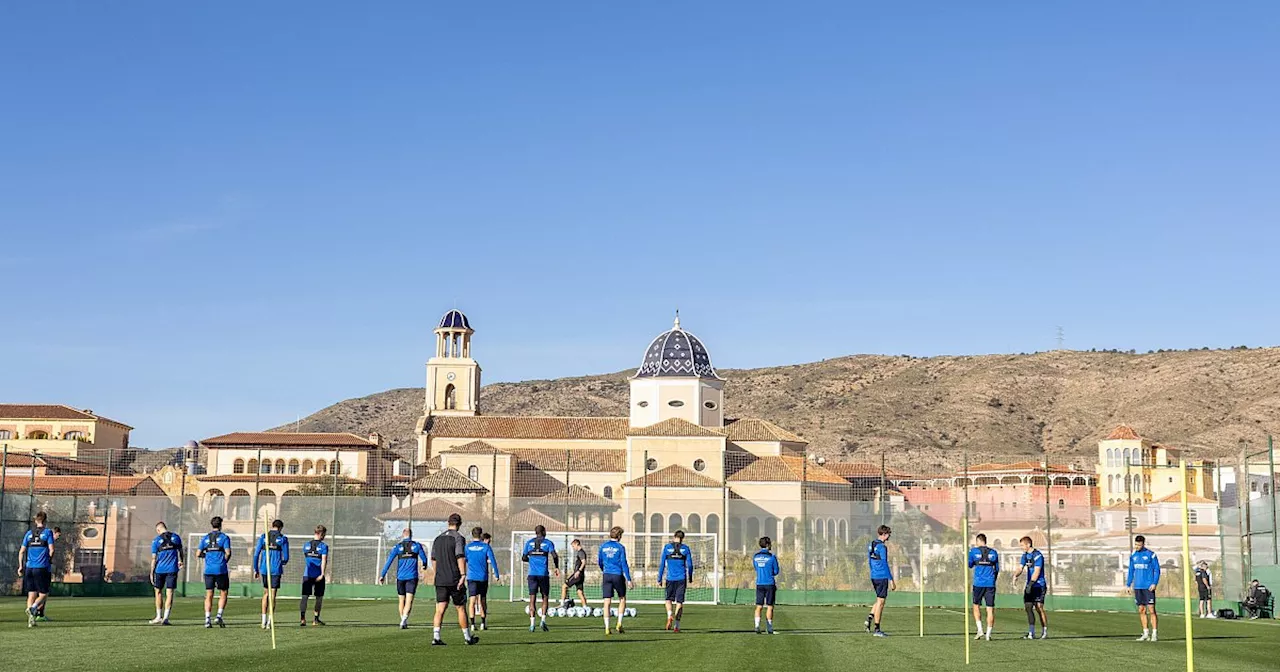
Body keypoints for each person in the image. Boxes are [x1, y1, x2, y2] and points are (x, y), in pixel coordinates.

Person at [431, 513, 479, 645]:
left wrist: (437, 573)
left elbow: (433, 559)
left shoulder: (437, 539)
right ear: (459, 524)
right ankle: (468, 637)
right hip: (454, 578)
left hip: (440, 578)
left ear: (448, 523)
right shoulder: (458, 538)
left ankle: (436, 637)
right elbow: (460, 556)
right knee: (460, 608)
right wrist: (463, 575)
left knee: (440, 609)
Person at [379, 527, 429, 629]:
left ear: (403, 535)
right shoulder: (416, 545)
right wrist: (424, 565)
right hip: (412, 577)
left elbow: (389, 561)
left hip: (400, 578)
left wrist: (382, 575)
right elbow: (424, 558)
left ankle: (403, 621)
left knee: (401, 600)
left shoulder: (397, 547)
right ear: (411, 535)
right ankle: (404, 620)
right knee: (409, 601)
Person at [18, 512, 55, 628]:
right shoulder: (48, 532)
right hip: (41, 567)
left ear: (35, 521)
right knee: (44, 594)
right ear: (45, 521)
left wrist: (20, 566)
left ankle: (31, 620)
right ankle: (33, 608)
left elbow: (21, 551)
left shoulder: (29, 534)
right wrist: (49, 559)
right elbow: (52, 550)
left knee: (31, 594)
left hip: (29, 568)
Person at [522, 524, 560, 632]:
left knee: (532, 599)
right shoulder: (548, 543)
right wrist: (557, 567)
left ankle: (532, 624)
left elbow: (523, 557)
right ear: (544, 532)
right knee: (545, 597)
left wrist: (531, 560)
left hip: (532, 574)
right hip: (543, 574)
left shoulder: (529, 543)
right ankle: (543, 621)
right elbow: (555, 556)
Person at [253, 519, 290, 629]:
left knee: (265, 594)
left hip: (264, 569)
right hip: (275, 569)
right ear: (280, 527)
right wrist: (281, 562)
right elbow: (286, 558)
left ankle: (263, 620)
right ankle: (270, 621)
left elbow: (256, 555)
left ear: (272, 526)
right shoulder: (283, 539)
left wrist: (256, 569)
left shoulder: (264, 536)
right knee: (273, 595)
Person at [597, 525, 633, 635]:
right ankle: (619, 623)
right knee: (622, 598)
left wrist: (604, 570)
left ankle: (607, 628)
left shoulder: (603, 546)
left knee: (607, 602)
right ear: (619, 536)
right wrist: (629, 579)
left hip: (606, 575)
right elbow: (624, 563)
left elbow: (600, 561)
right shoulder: (620, 547)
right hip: (617, 575)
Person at [197, 516, 232, 628]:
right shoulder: (224, 537)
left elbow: (198, 554)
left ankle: (207, 619)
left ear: (212, 525)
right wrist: (224, 560)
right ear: (220, 525)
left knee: (209, 594)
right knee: (223, 592)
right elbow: (228, 552)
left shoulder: (205, 538)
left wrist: (206, 556)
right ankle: (219, 616)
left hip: (208, 570)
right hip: (221, 569)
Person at [1010, 535, 1047, 639]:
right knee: (1028, 607)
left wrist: (1031, 584)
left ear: (1028, 544)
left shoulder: (1038, 555)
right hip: (1029, 585)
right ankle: (1031, 633)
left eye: (1022, 545)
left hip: (1039, 585)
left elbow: (1037, 571)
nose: (1021, 547)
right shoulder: (1025, 556)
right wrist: (1015, 575)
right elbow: (1020, 568)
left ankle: (1044, 631)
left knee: (1039, 608)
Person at [465, 527, 501, 630]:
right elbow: (493, 561)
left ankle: (472, 625)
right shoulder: (486, 547)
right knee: (482, 600)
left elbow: (465, 560)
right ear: (481, 535)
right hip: (482, 577)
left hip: (471, 576)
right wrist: (496, 574)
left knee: (471, 600)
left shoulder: (467, 547)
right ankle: (482, 623)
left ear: (472, 535)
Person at [1126, 534, 1161, 641]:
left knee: (1151, 609)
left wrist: (1154, 583)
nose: (1137, 546)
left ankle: (1154, 633)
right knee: (1141, 609)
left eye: (1139, 545)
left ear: (1143, 544)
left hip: (1148, 587)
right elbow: (1131, 571)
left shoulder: (1151, 555)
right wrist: (1128, 584)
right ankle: (1145, 633)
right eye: (1136, 544)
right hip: (1138, 587)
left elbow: (1157, 570)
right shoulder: (1133, 556)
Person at [149, 521, 184, 625]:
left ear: (158, 530)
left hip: (159, 570)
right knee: (170, 593)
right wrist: (181, 561)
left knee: (158, 592)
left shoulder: (156, 541)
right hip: (172, 569)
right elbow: (181, 551)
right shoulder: (176, 537)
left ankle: (159, 616)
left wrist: (151, 572)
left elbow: (153, 558)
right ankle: (166, 618)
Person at [659, 529, 694, 632]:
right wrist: (690, 576)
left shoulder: (667, 547)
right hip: (681, 579)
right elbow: (690, 565)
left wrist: (659, 578)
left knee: (668, 599)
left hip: (670, 578)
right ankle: (677, 626)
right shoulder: (685, 549)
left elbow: (662, 565)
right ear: (682, 538)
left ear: (674, 536)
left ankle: (669, 615)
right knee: (679, 602)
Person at [865, 524, 895, 637]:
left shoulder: (871, 544)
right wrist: (891, 579)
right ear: (883, 534)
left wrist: (873, 572)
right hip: (882, 576)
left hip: (874, 576)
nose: (888, 537)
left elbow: (869, 560)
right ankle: (877, 629)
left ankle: (869, 619)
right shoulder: (882, 547)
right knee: (881, 602)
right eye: (888, 535)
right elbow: (884, 563)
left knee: (879, 600)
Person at [968, 533, 999, 641]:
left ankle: (980, 629)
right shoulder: (994, 552)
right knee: (990, 609)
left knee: (976, 606)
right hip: (990, 584)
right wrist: (992, 579)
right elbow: (997, 569)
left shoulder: (973, 551)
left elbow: (970, 564)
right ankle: (988, 634)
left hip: (978, 584)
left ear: (978, 541)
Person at [300, 525, 330, 626]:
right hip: (318, 575)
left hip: (307, 575)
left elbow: (306, 559)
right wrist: (322, 574)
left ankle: (302, 619)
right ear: (321, 534)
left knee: (305, 597)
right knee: (319, 598)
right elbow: (324, 561)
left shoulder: (306, 545)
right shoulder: (324, 546)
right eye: (324, 535)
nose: (324, 537)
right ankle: (316, 619)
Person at [752, 536, 780, 634]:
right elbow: (776, 571)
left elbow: (756, 568)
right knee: (769, 606)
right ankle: (769, 628)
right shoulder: (772, 557)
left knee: (759, 606)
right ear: (768, 545)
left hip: (759, 583)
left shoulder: (755, 557)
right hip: (769, 584)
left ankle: (757, 626)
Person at [34, 527, 60, 622]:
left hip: (40, 569)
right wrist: (49, 561)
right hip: (43, 570)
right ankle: (37, 612)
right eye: (58, 535)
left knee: (41, 592)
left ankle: (39, 613)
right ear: (54, 533)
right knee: (43, 593)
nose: (58, 537)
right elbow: (50, 553)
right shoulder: (48, 543)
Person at [560, 539, 589, 610]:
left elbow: (584, 562)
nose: (573, 548)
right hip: (580, 575)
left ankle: (562, 604)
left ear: (577, 544)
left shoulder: (581, 552)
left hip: (577, 575)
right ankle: (585, 608)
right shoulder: (580, 552)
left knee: (564, 586)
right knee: (580, 592)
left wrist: (578, 571)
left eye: (573, 546)